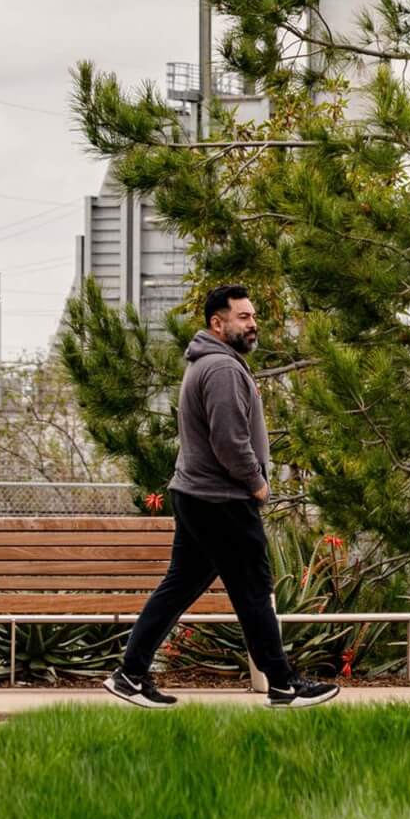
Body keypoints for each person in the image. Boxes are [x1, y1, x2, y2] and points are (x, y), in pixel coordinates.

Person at [105, 283, 339, 710]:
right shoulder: (223, 369)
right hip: (221, 499)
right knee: (252, 589)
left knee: (179, 586)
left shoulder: (209, 364)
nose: (253, 324)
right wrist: (256, 483)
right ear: (218, 323)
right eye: (244, 317)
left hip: (198, 495)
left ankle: (129, 674)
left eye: (253, 316)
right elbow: (230, 442)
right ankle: (283, 683)